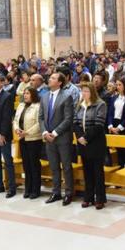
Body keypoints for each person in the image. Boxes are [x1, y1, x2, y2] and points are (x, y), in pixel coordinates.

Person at [39, 72, 75, 206]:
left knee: (66, 166)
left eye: (53, 78)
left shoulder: (66, 97)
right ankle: (56, 192)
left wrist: (54, 132)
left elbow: (68, 119)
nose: (50, 79)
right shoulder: (44, 96)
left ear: (60, 82)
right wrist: (44, 132)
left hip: (62, 137)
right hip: (48, 138)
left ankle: (69, 193)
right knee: (54, 166)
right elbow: (41, 117)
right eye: (50, 77)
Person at [74, 82, 108, 209]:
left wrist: (85, 137)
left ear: (92, 92)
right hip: (83, 143)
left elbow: (99, 125)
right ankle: (88, 197)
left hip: (95, 142)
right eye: (83, 91)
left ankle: (100, 198)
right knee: (87, 171)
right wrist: (79, 137)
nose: (84, 94)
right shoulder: (80, 105)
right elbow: (75, 123)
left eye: (87, 91)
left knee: (97, 172)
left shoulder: (100, 104)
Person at [13, 87, 42, 199]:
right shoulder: (21, 106)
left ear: (33, 95)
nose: (25, 95)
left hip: (34, 139)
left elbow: (39, 123)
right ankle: (28, 188)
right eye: (24, 93)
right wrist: (17, 129)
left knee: (34, 164)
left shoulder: (38, 106)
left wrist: (27, 132)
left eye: (28, 93)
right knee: (26, 164)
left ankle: (36, 189)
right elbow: (15, 120)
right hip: (22, 138)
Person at [107, 78, 125, 168]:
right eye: (117, 85)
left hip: (124, 125)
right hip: (114, 124)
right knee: (118, 150)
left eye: (120, 85)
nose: (118, 87)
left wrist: (119, 127)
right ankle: (120, 166)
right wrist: (110, 125)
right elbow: (110, 113)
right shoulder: (114, 98)